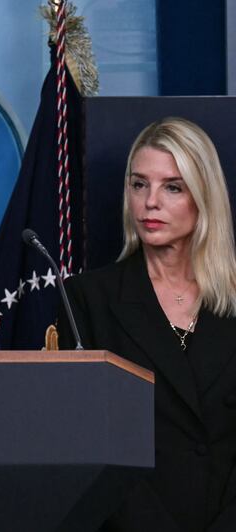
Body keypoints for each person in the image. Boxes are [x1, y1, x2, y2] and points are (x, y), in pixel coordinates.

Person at [58, 117, 236, 531]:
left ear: (203, 196)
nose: (150, 202)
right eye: (139, 184)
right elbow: (88, 439)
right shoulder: (87, 298)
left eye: (172, 187)